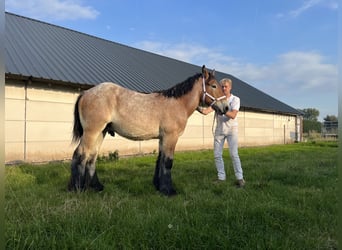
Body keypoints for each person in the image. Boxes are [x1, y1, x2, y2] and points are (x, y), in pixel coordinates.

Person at [197, 78, 245, 188]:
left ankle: (240, 178)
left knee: (234, 154)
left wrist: (222, 109)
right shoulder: (217, 100)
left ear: (230, 87)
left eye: (226, 86)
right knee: (217, 155)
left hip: (232, 130)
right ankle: (221, 178)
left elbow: (233, 115)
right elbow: (205, 111)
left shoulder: (235, 99)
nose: (223, 88)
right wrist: (196, 107)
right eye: (222, 86)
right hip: (219, 130)